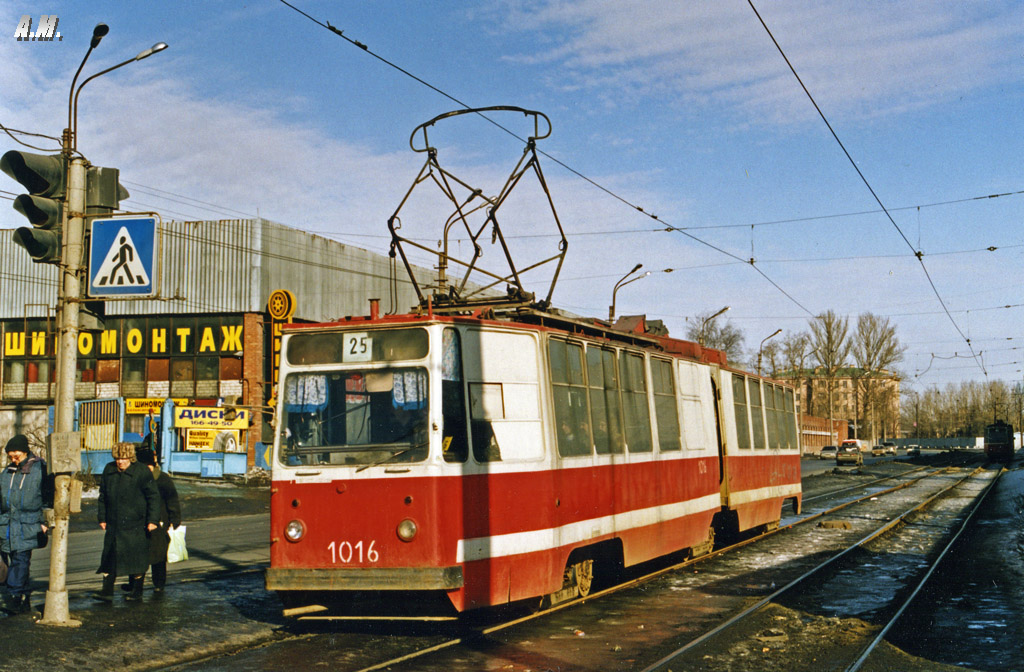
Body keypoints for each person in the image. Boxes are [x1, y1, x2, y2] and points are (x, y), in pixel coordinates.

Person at [94, 441, 160, 602]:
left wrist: (152, 520)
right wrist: (102, 518)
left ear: (131, 457)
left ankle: (137, 591)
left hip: (136, 524)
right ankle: (107, 591)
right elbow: (103, 496)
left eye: (124, 458)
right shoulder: (109, 470)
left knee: (136, 560)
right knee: (109, 558)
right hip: (114, 524)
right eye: (117, 458)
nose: (120, 461)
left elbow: (153, 497)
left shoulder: (142, 472)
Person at [0, 434, 51, 614]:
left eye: (17, 456)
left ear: (25, 452)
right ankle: (23, 596)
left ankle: (15, 597)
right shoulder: (7, 473)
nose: (13, 459)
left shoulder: (40, 469)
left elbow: (48, 497)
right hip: (6, 525)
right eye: (10, 456)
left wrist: (45, 521)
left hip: (28, 523)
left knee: (20, 561)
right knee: (11, 562)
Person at [123, 447, 180, 596]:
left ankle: (159, 584)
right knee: (137, 555)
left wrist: (175, 519)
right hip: (139, 523)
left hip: (160, 523)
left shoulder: (163, 479)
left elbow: (172, 500)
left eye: (148, 465)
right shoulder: (135, 479)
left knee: (158, 555)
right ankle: (135, 587)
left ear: (153, 465)